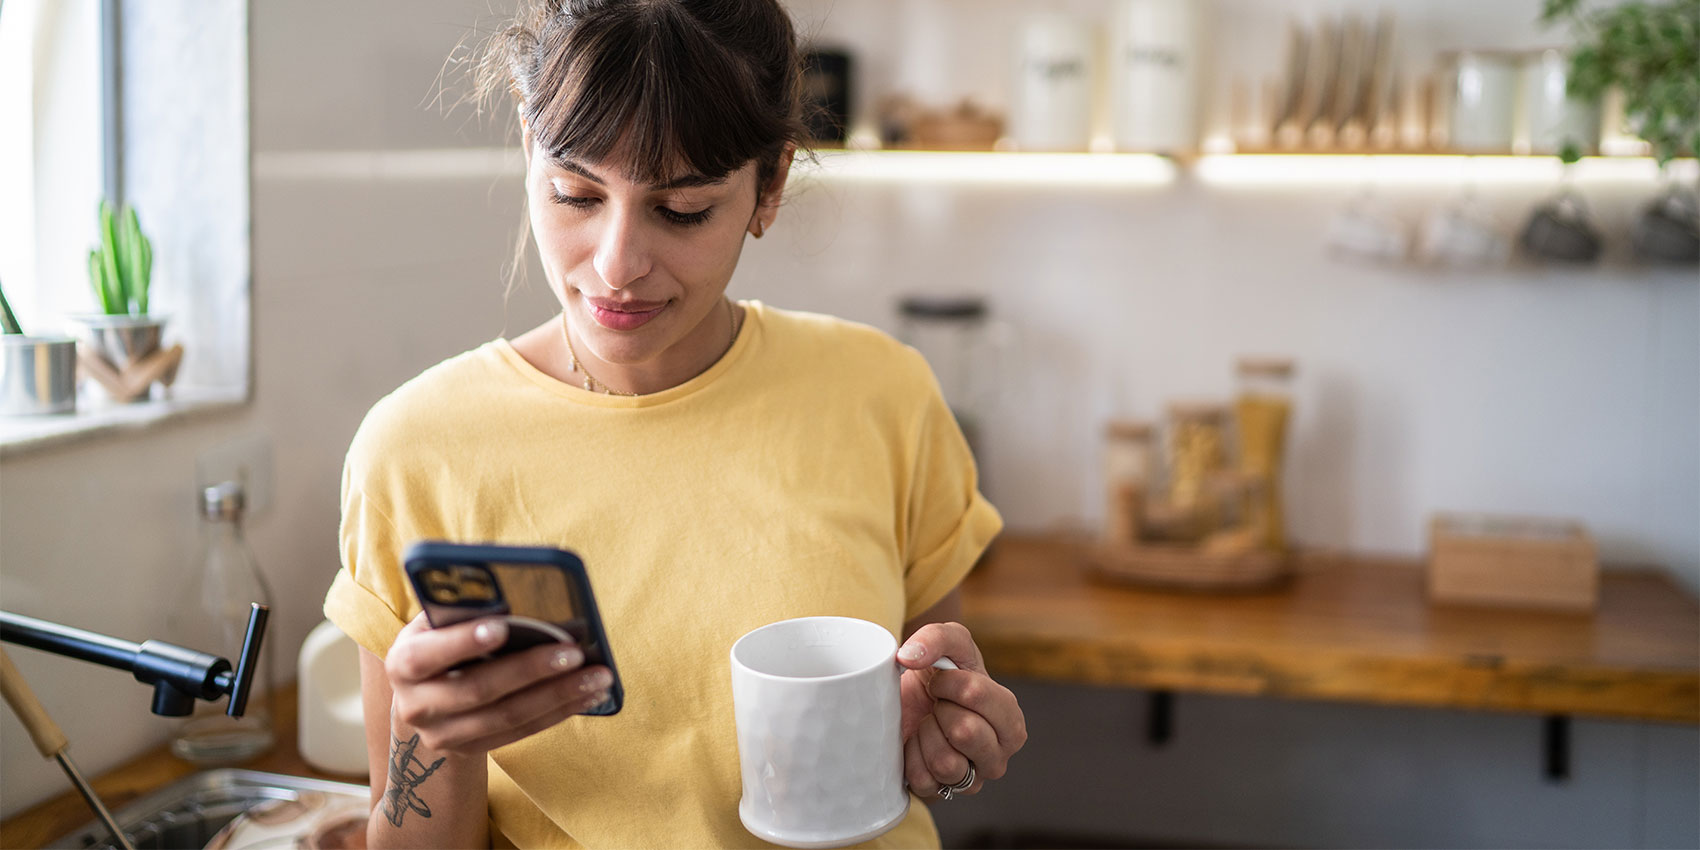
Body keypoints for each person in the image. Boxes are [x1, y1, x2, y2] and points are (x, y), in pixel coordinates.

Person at [323, 0, 1025, 846]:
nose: (616, 265)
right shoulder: (415, 450)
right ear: (525, 146)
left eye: (682, 210)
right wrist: (432, 737)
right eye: (575, 192)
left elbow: (924, 704)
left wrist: (948, 736)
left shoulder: (884, 395)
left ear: (770, 184)